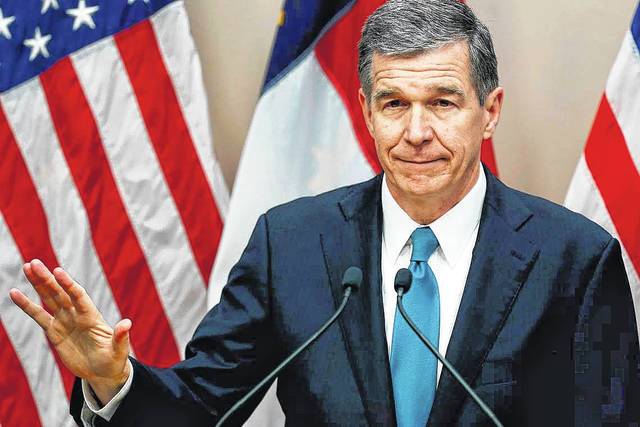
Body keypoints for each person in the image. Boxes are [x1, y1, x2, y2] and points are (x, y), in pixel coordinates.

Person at [9, 0, 639, 425]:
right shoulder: (292, 245)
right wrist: (114, 380)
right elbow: (201, 409)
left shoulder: (576, 260)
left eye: (443, 103)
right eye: (394, 104)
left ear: (490, 111)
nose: (417, 132)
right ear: (366, 113)